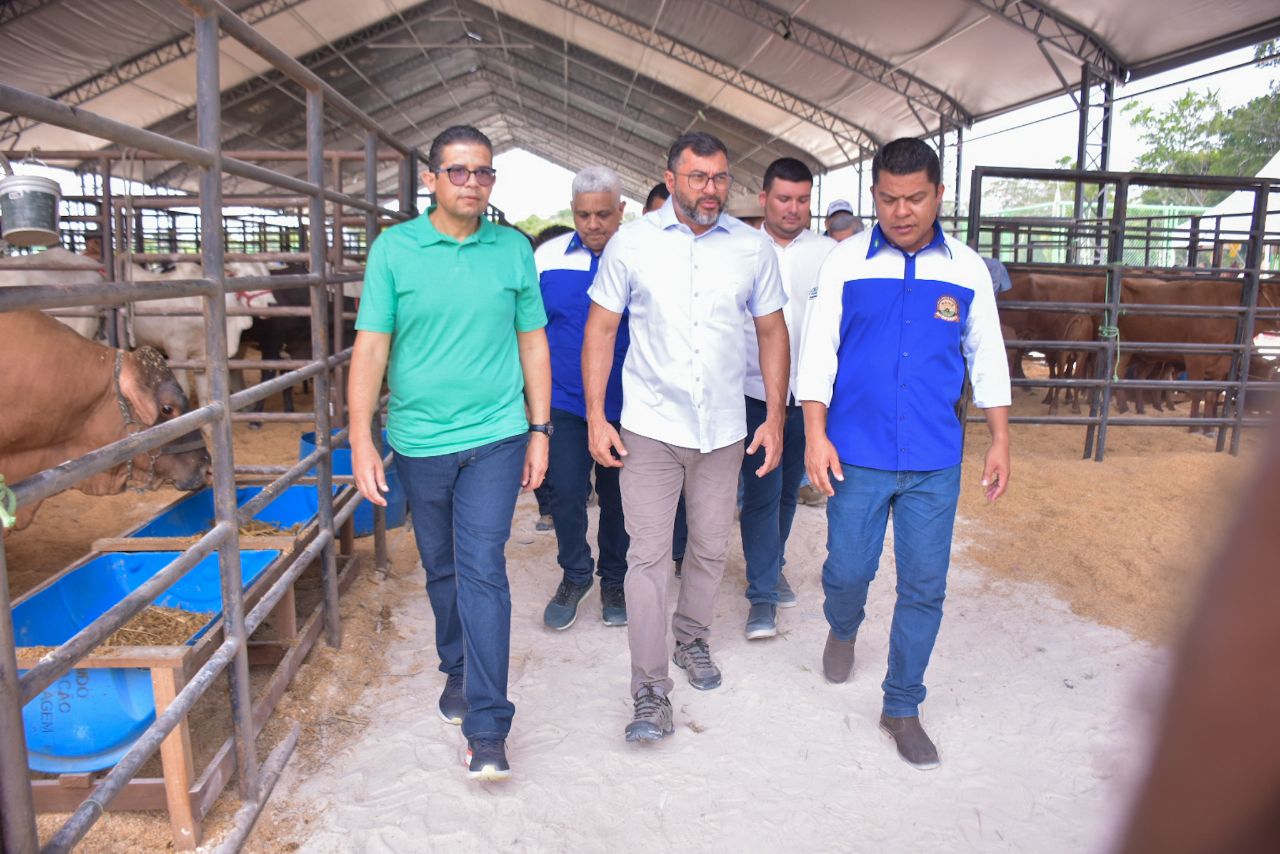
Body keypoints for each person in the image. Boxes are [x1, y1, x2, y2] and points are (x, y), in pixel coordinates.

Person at [797, 137, 1011, 770]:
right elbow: (819, 350)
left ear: (939, 195)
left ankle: (902, 705)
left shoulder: (967, 269)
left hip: (934, 458)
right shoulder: (844, 263)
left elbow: (989, 355)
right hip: (854, 453)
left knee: (924, 585)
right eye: (888, 198)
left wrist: (1000, 438)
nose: (901, 210)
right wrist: (814, 431)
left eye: (915, 197)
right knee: (848, 569)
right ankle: (843, 622)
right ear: (875, 197)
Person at [348, 125, 551, 782]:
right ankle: (457, 670)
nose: (472, 182)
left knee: (484, 569)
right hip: (418, 441)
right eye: (459, 171)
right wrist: (360, 437)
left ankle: (488, 724)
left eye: (484, 172)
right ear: (432, 179)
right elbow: (372, 350)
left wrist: (540, 429)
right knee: (442, 571)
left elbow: (533, 345)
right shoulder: (395, 250)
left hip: (496, 436)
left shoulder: (513, 250)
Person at [582, 132, 789, 743]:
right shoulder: (632, 242)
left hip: (724, 429)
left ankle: (693, 639)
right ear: (669, 178)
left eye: (720, 177)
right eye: (698, 177)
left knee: (706, 548)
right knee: (647, 558)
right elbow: (600, 331)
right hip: (649, 426)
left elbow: (773, 334)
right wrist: (597, 417)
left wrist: (774, 417)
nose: (711, 189)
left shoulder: (752, 249)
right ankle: (649, 689)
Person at [739, 158, 836, 640]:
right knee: (759, 491)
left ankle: (769, 564)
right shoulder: (740, 249)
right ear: (763, 199)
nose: (793, 208)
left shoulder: (828, 255)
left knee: (785, 491)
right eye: (783, 198)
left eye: (802, 199)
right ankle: (762, 595)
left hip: (808, 396)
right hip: (751, 392)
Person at [535, 166, 630, 630]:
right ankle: (576, 574)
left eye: (604, 214)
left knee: (620, 500)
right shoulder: (548, 259)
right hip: (565, 403)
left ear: (621, 211)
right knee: (567, 493)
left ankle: (614, 577)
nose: (594, 225)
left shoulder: (641, 256)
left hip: (630, 406)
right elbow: (529, 332)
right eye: (584, 215)